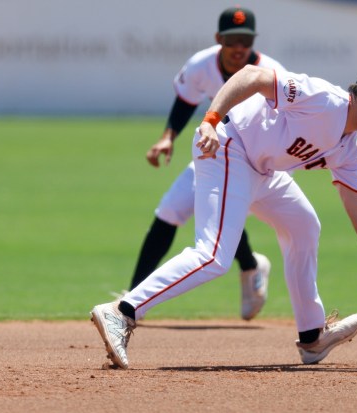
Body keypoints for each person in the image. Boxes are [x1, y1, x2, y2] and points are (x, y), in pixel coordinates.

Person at [91, 63, 357, 369]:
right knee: (213, 256)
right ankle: (123, 311)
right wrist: (209, 120)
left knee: (304, 226)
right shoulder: (322, 99)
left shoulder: (351, 151)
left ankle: (312, 338)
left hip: (264, 170)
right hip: (227, 146)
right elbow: (252, 76)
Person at [126, 6, 287, 321]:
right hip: (215, 155)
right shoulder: (202, 64)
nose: (239, 47)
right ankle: (132, 299)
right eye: (232, 40)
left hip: (258, 164)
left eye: (245, 40)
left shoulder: (271, 72)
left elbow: (286, 121)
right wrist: (168, 137)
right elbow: (185, 102)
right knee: (169, 211)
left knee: (220, 216)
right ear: (219, 39)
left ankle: (251, 266)